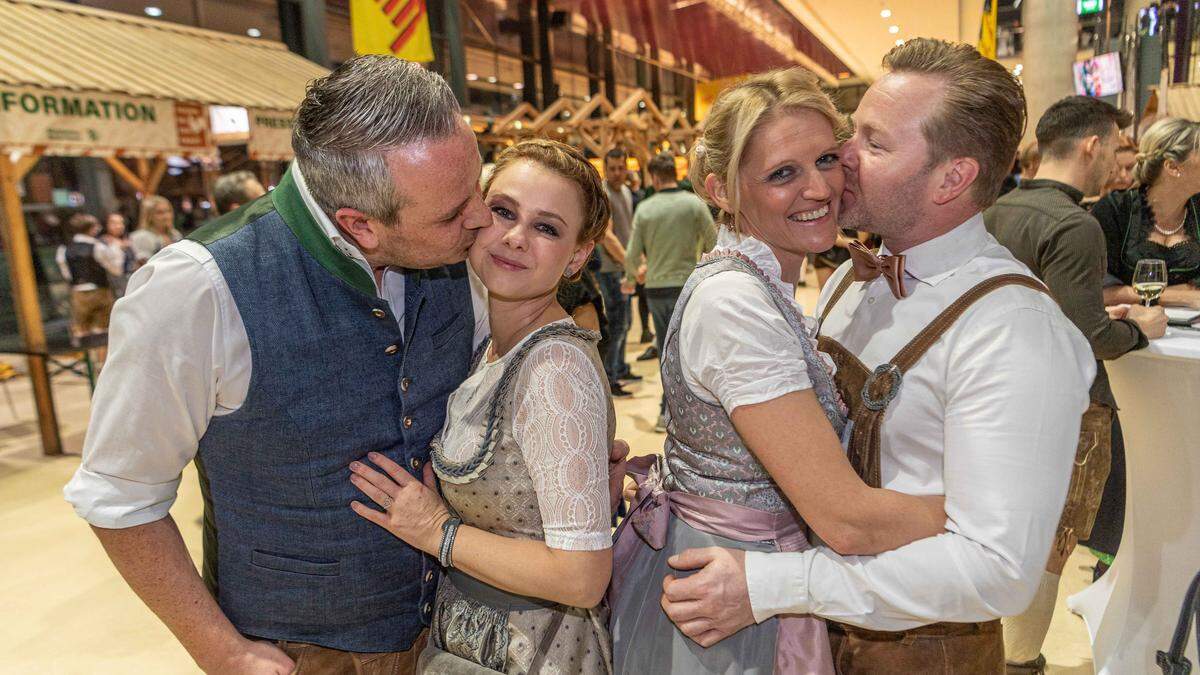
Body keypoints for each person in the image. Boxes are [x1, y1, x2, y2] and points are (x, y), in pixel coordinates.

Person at [659, 38, 1094, 674]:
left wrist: (777, 584)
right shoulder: (848, 278)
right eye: (851, 133)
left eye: (874, 142)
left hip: (919, 653)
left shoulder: (1015, 330)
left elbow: (999, 572)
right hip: (801, 640)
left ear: (953, 177)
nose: (843, 160)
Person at [64, 56, 499, 674]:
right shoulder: (196, 289)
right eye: (454, 213)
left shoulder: (464, 259)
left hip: (456, 630)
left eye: (476, 189)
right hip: (303, 653)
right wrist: (218, 648)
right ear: (361, 226)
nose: (481, 218)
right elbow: (118, 494)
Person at [609, 67, 948, 675]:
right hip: (729, 591)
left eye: (825, 159)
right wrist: (989, 512)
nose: (819, 188)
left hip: (739, 574)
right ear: (721, 190)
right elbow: (844, 519)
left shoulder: (760, 282)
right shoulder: (735, 304)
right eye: (782, 174)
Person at [348, 138, 615, 674]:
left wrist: (437, 531)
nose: (515, 238)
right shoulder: (490, 342)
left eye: (547, 227)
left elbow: (581, 577)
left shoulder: (554, 368)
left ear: (578, 256)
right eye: (503, 212)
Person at [984, 95, 1168, 673]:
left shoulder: (995, 210)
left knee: (1001, 534)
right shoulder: (1074, 224)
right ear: (1091, 144)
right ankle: (1020, 662)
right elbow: (1084, 333)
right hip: (1059, 413)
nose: (1119, 161)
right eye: (1115, 147)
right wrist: (1141, 331)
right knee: (1052, 541)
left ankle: (994, 653)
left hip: (990, 397)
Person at [622, 152, 717, 431]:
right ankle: (688, 412)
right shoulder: (694, 205)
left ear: (653, 176)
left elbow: (631, 254)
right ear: (675, 174)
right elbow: (713, 242)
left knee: (666, 350)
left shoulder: (646, 209)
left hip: (655, 289)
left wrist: (632, 276)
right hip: (687, 287)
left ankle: (667, 412)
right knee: (691, 352)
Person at [1094, 117, 1200, 309]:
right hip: (1130, 330)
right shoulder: (1115, 211)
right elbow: (1095, 292)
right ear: (1173, 167)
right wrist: (1183, 297)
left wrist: (1128, 292)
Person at [595, 148, 638, 396]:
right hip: (610, 268)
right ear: (605, 167)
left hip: (624, 268)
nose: (617, 173)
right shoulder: (604, 193)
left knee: (626, 321)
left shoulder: (624, 192)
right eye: (612, 168)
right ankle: (610, 376)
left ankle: (620, 367)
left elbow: (628, 231)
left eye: (621, 168)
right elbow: (606, 236)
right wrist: (629, 262)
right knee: (616, 322)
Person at [55, 212, 125, 351]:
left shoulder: (64, 249)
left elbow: (67, 274)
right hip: (100, 291)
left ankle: (89, 363)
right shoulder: (98, 247)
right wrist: (117, 248)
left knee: (81, 332)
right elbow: (116, 269)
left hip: (78, 294)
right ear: (92, 229)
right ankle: (101, 366)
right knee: (103, 332)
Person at [130, 195, 181, 264]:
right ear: (149, 216)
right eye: (160, 213)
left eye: (168, 211)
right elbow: (146, 266)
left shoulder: (175, 234)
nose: (166, 216)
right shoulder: (142, 236)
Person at [100, 211, 137, 297]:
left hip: (131, 280)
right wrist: (116, 247)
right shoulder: (102, 243)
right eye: (114, 223)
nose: (118, 226)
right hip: (114, 284)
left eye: (121, 223)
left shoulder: (127, 240)